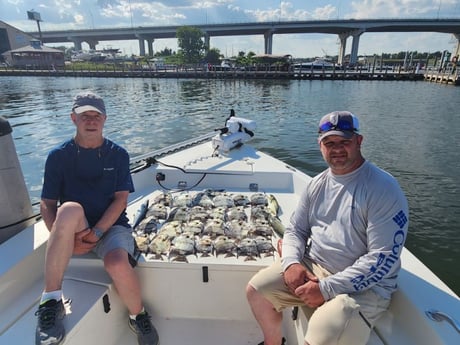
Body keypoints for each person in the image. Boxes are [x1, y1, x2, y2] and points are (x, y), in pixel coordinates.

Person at [246, 111, 409, 345]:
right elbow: (295, 230)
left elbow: (382, 258)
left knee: (325, 327)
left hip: (365, 287)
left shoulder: (383, 188)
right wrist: (291, 262)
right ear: (320, 145)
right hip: (316, 266)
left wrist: (325, 289)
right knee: (257, 291)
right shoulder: (317, 184)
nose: (337, 149)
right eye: (329, 143)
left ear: (359, 141)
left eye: (345, 142)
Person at [35, 91, 159, 345]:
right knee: (68, 208)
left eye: (96, 116)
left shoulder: (119, 154)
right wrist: (63, 236)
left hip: (111, 227)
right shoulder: (57, 156)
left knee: (116, 263)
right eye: (84, 116)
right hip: (74, 226)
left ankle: (138, 316)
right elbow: (47, 204)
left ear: (104, 120)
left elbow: (120, 200)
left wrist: (97, 233)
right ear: (73, 119)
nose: (91, 121)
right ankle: (50, 301)